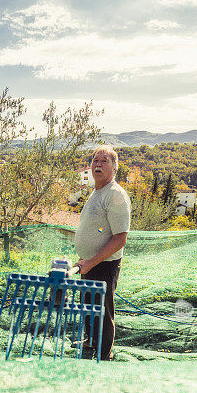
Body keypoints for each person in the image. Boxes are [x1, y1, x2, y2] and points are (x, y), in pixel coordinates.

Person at [74, 145, 131, 361]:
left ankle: (104, 352)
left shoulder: (115, 195)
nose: (97, 164)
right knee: (88, 305)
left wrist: (92, 261)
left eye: (104, 161)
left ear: (114, 168)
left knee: (102, 310)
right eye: (95, 161)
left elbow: (120, 239)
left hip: (104, 264)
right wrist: (86, 259)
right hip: (89, 262)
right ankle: (90, 340)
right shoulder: (98, 192)